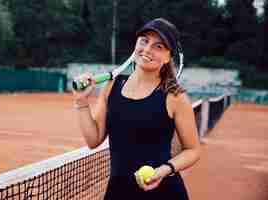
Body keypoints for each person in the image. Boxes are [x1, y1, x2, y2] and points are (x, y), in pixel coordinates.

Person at [72, 18, 201, 200]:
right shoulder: (111, 86)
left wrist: (165, 170)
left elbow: (193, 150)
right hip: (118, 192)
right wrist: (81, 101)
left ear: (167, 58)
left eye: (159, 46)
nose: (147, 49)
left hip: (164, 193)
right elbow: (93, 140)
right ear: (136, 44)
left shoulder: (175, 97)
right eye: (144, 41)